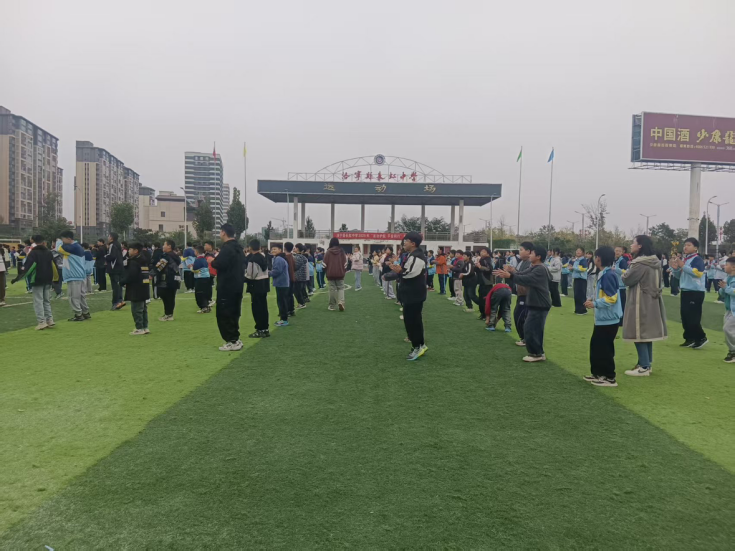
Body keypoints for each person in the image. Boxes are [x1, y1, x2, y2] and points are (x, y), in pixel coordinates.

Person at [495, 244, 551, 362]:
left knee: (532, 328)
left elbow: (526, 279)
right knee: (532, 328)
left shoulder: (540, 268)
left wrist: (510, 276)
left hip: (540, 304)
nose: (530, 255)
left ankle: (536, 354)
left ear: (538, 257)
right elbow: (522, 274)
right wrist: (511, 273)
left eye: (532, 253)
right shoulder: (534, 267)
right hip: (536, 303)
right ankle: (537, 353)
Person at [620, 235, 668, 376]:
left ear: (640, 245)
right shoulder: (655, 261)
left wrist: (623, 274)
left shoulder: (640, 263)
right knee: (646, 333)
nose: (631, 245)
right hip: (652, 300)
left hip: (640, 300)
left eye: (633, 242)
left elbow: (627, 279)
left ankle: (644, 366)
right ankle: (646, 363)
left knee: (638, 331)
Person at [583, 246, 623, 387]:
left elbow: (612, 298)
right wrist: (593, 300)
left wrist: (595, 304)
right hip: (602, 319)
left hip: (609, 319)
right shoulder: (603, 273)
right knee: (596, 346)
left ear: (598, 258)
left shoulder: (608, 275)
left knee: (605, 349)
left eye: (595, 256)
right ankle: (597, 373)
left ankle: (609, 377)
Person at [391, 232, 428, 361]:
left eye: (406, 241)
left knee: (413, 321)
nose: (404, 243)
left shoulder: (417, 256)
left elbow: (410, 273)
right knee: (412, 320)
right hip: (411, 293)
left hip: (414, 294)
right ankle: (419, 344)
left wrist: (399, 271)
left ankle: (418, 346)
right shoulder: (412, 255)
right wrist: (399, 270)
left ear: (413, 243)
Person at [212, 224, 245, 351]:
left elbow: (220, 263)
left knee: (224, 313)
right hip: (237, 285)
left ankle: (232, 340)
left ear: (223, 232)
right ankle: (235, 338)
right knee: (234, 312)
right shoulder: (239, 248)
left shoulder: (227, 248)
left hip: (227, 286)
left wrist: (211, 261)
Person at [12, 235, 57, 330]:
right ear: (44, 242)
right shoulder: (49, 252)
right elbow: (53, 265)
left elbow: (29, 267)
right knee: (46, 300)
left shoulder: (33, 253)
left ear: (33, 241)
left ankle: (41, 322)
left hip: (37, 279)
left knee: (38, 301)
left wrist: (18, 277)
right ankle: (50, 319)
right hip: (48, 278)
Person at [670, 237, 707, 349]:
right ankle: (689, 338)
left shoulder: (697, 259)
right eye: (685, 245)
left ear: (695, 248)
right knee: (685, 316)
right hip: (685, 290)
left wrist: (682, 265)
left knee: (693, 317)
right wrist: (675, 269)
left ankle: (701, 337)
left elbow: (698, 273)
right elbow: (680, 276)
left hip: (695, 291)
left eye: (689, 245)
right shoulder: (685, 260)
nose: (685, 247)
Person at [57, 230, 91, 322]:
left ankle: (78, 314)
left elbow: (58, 249)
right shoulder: (77, 246)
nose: (62, 241)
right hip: (80, 275)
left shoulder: (72, 247)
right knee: (81, 296)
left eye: (63, 239)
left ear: (68, 239)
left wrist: (58, 241)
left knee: (73, 296)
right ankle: (85, 312)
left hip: (74, 275)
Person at [122, 242, 150, 335]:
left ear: (136, 251)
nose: (128, 251)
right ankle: (145, 327)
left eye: (130, 249)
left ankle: (139, 328)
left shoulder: (134, 262)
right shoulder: (143, 260)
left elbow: (131, 276)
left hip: (136, 288)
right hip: (144, 286)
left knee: (136, 309)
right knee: (143, 309)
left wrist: (122, 282)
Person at [244, 239, 271, 338]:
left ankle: (260, 329)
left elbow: (251, 275)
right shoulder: (263, 256)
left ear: (250, 248)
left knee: (257, 308)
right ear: (259, 247)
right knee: (263, 308)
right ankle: (265, 329)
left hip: (256, 286)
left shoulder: (252, 259)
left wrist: (242, 278)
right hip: (264, 284)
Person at [152, 239, 181, 321]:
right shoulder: (175, 256)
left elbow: (159, 267)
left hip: (167, 280)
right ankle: (169, 314)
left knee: (166, 297)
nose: (163, 246)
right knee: (171, 297)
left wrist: (150, 274)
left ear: (169, 246)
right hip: (175, 279)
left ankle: (168, 315)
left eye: (164, 244)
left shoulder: (167, 256)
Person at [511, 242, 533, 347]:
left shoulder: (530, 263)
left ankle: (526, 339)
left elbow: (524, 277)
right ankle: (524, 338)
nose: (519, 252)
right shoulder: (522, 262)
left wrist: (513, 272)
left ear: (528, 251)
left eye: (521, 250)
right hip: (521, 293)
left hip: (526, 294)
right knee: (518, 315)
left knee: (520, 316)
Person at [323, 237, 347, 311]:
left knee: (332, 289)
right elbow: (345, 264)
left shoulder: (328, 252)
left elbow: (324, 264)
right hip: (340, 274)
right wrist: (343, 271)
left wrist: (326, 271)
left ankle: (332, 305)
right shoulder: (342, 252)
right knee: (341, 288)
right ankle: (341, 302)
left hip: (330, 274)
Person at [719, 257, 735, 363]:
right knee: (729, 330)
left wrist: (725, 288)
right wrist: (722, 289)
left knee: (727, 329)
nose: (724, 266)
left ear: (733, 267)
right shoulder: (727, 278)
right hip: (729, 309)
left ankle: (733, 351)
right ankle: (732, 351)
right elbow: (723, 293)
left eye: (726, 265)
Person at [270, 244, 291, 327]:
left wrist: (267, 273)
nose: (273, 251)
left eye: (275, 249)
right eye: (272, 249)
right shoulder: (279, 258)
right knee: (282, 301)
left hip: (281, 283)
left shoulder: (279, 259)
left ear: (280, 250)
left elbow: (277, 271)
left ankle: (284, 319)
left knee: (282, 302)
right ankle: (283, 318)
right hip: (282, 283)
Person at [106, 232, 125, 310]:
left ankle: (116, 302)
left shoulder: (112, 245)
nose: (108, 237)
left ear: (111, 237)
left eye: (109, 236)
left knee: (115, 286)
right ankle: (120, 300)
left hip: (114, 269)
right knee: (119, 285)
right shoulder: (118, 244)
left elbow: (112, 256)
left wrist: (105, 257)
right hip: (120, 268)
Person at [192, 245, 212, 313]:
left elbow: (195, 269)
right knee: (205, 293)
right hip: (206, 278)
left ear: (197, 252)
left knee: (199, 293)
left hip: (200, 278)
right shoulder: (204, 259)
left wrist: (191, 268)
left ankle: (203, 307)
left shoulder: (198, 260)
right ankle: (207, 306)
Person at [475, 248, 494, 319]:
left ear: (488, 253)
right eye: (481, 251)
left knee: (486, 299)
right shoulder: (481, 259)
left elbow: (489, 269)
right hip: (482, 282)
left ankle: (486, 315)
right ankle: (482, 313)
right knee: (481, 298)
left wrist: (480, 267)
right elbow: (477, 270)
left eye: (483, 252)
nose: (481, 253)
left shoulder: (488, 260)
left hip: (487, 282)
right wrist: (477, 266)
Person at [572, 247, 589, 315]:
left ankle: (582, 310)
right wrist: (572, 269)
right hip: (576, 279)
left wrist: (573, 268)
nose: (578, 252)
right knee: (576, 295)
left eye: (579, 251)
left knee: (581, 295)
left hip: (581, 280)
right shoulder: (576, 260)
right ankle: (577, 309)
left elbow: (583, 269)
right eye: (577, 251)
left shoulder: (583, 260)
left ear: (583, 253)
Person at [292, 243, 309, 308]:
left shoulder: (297, 257)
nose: (294, 249)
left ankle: (301, 303)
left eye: (295, 247)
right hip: (302, 276)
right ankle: (302, 302)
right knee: (300, 290)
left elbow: (295, 267)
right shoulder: (303, 257)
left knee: (297, 291)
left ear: (298, 249)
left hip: (298, 276)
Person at [283, 242, 297, 316]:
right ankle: (291, 310)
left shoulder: (285, 257)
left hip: (287, 279)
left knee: (286, 296)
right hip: (292, 278)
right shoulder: (292, 256)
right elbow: (295, 267)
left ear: (284, 248)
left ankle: (287, 310)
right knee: (290, 295)